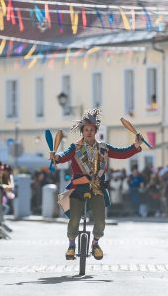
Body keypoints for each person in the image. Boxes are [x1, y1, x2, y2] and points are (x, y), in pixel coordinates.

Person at [50, 108, 143, 260]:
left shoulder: (104, 148)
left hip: (97, 188)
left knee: (100, 220)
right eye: (86, 130)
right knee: (74, 219)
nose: (89, 132)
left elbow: (121, 153)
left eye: (91, 130)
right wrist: (56, 157)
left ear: (96, 131)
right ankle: (71, 245)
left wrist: (135, 146)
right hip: (78, 189)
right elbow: (64, 155)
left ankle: (95, 243)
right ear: (82, 131)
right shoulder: (75, 147)